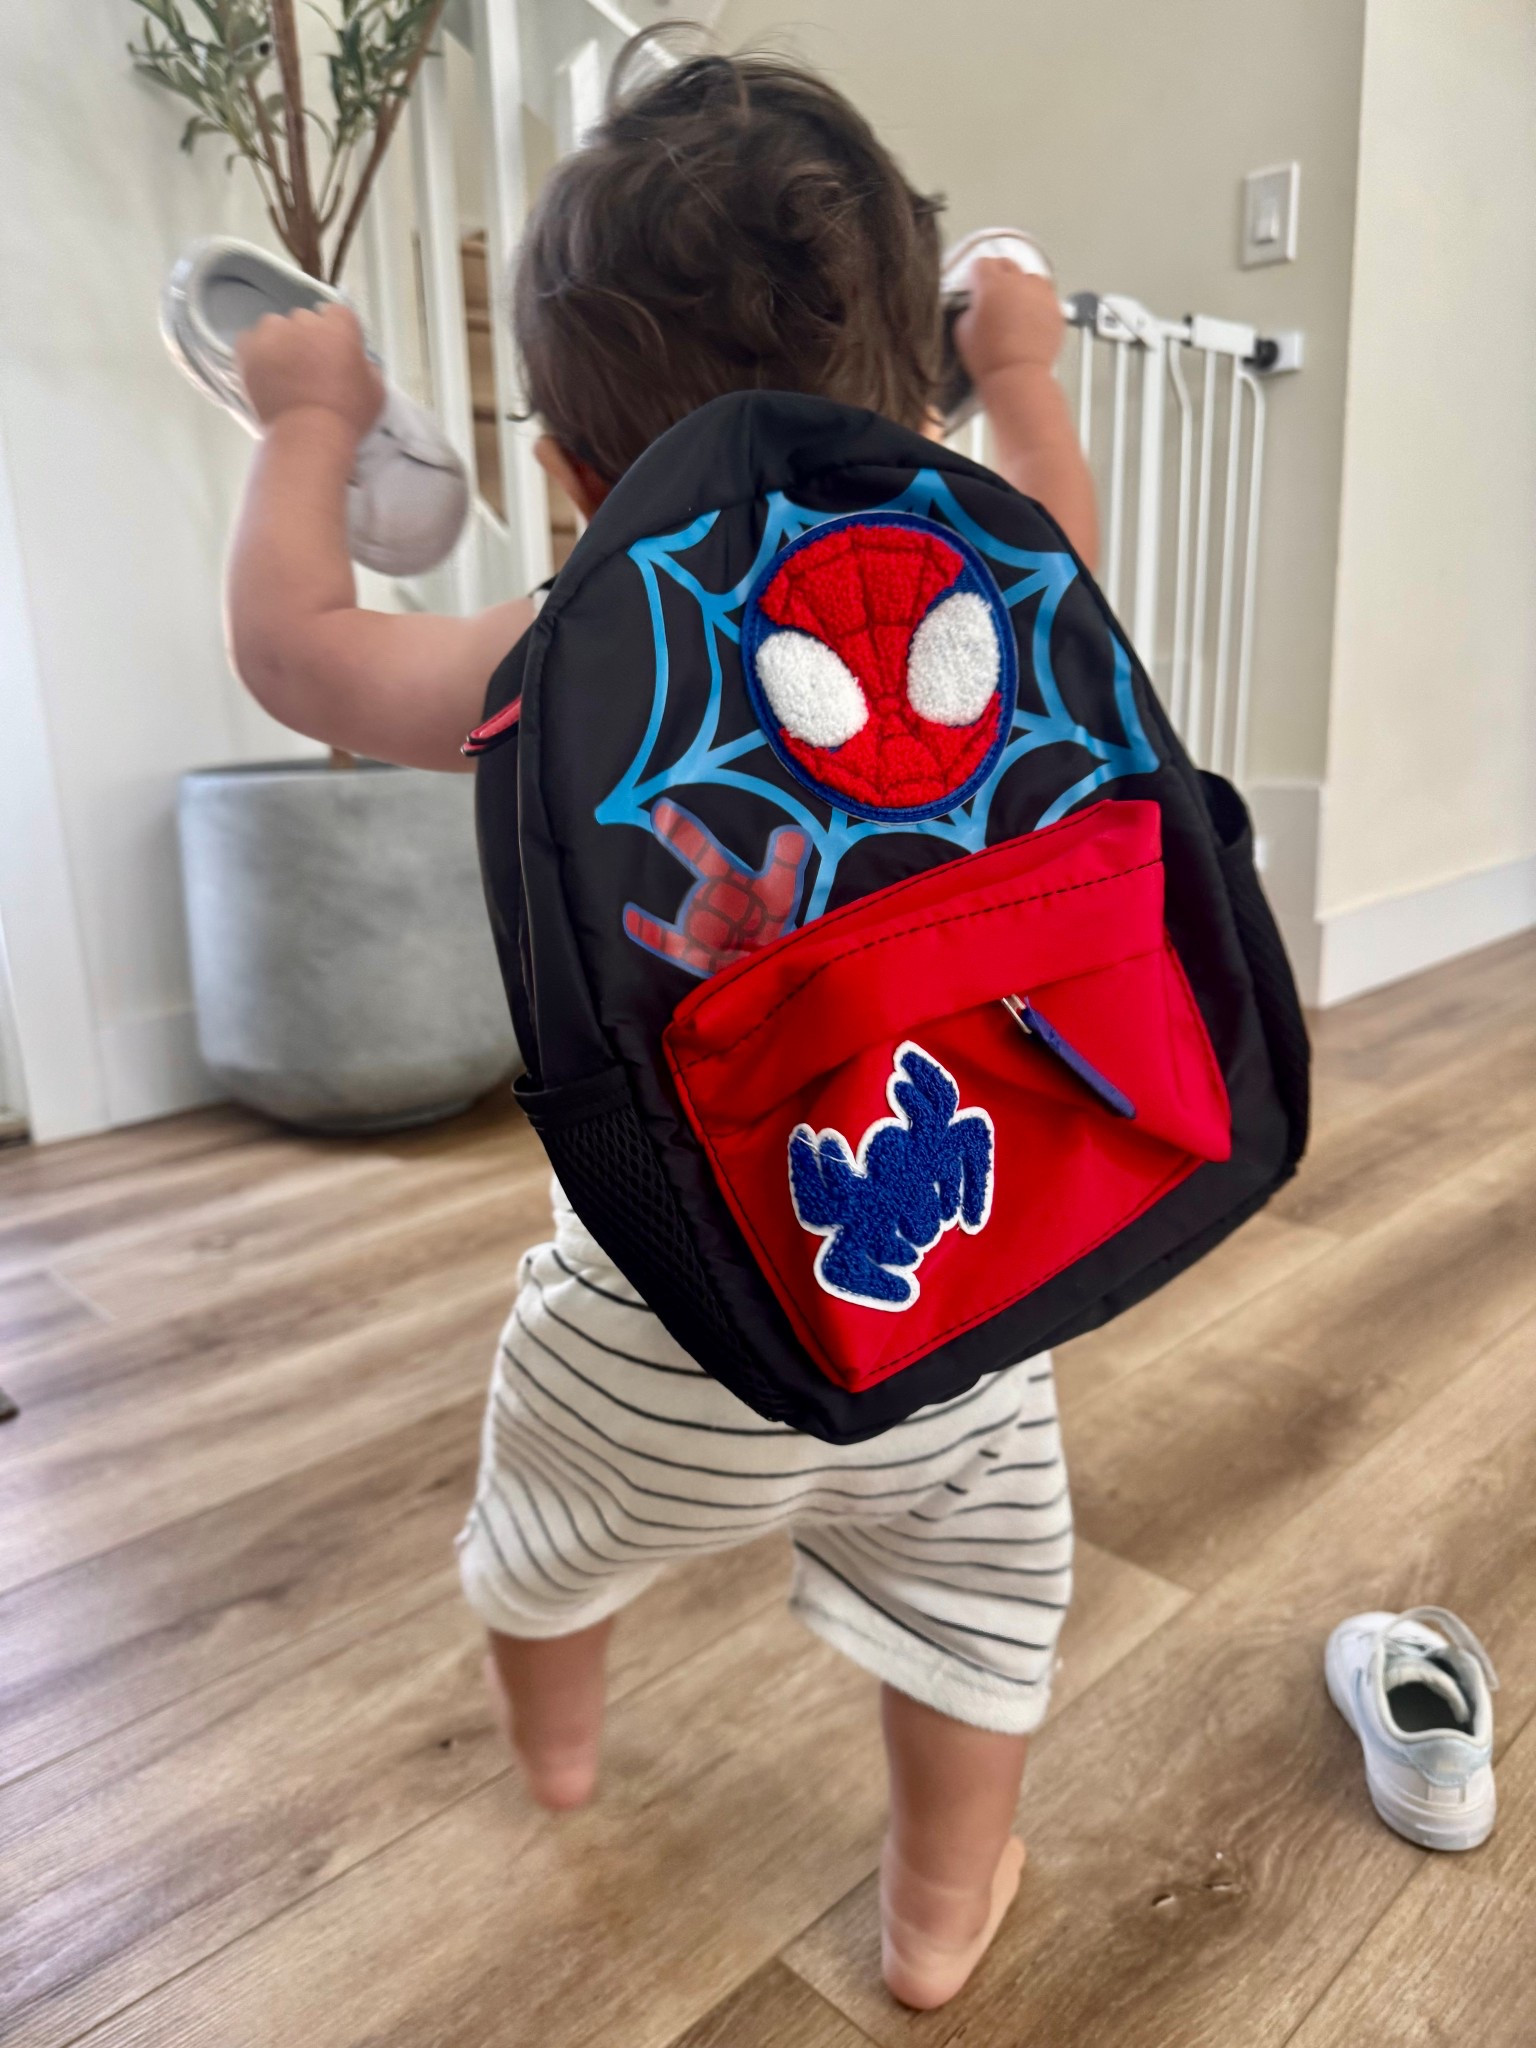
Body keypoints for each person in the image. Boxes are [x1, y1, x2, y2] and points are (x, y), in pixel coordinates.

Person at [225, 40, 1098, 2012]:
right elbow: (1067, 524)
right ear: (917, 404)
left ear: (562, 472)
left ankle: (557, 1743)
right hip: (952, 1305)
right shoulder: (987, 606)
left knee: (538, 1536)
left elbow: (294, 652)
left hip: (656, 1323)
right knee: (984, 1608)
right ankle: (942, 1910)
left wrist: (310, 420)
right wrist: (1029, 368)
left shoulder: (558, 651)